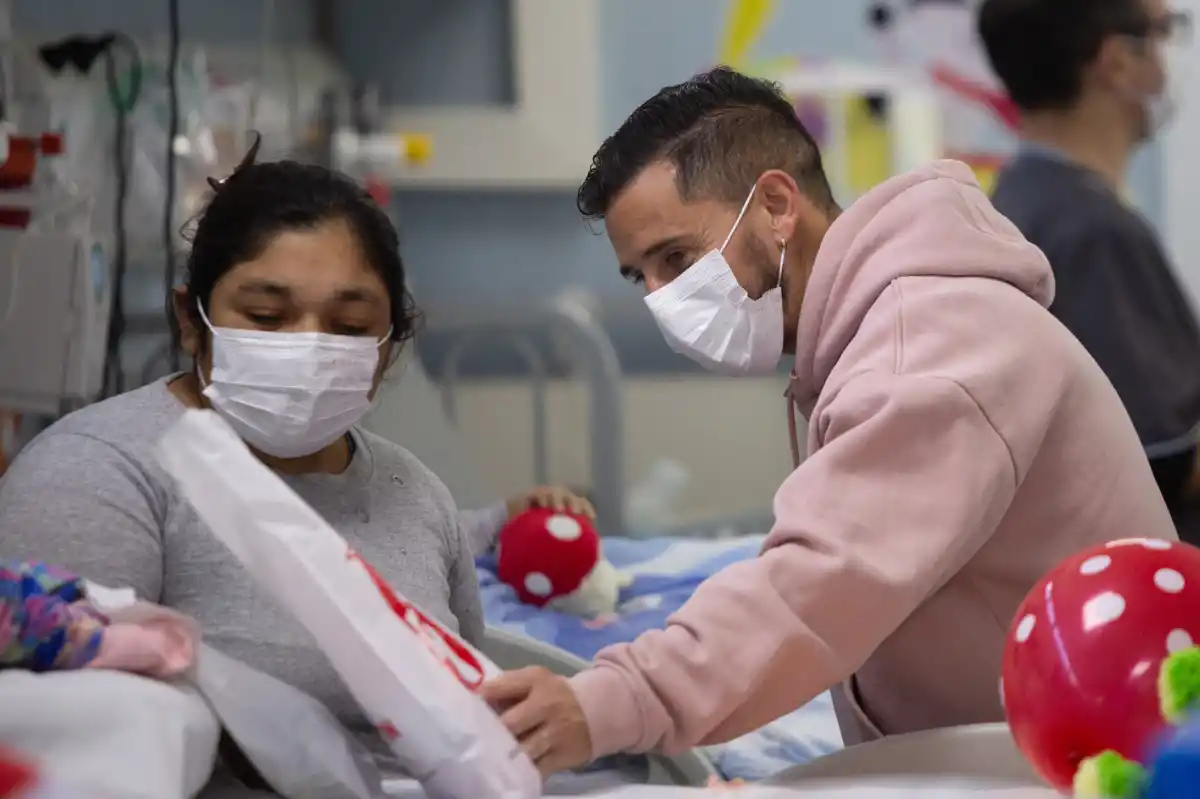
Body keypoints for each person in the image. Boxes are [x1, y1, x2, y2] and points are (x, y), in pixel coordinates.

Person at [479, 66, 1177, 777]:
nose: (662, 299)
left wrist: (613, 700)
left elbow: (816, 582)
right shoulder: (884, 331)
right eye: (642, 277)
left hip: (1091, 758)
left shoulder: (929, 344)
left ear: (777, 205)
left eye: (677, 259)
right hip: (1025, 734)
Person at [0, 143, 587, 786]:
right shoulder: (100, 474)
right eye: (266, 317)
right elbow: (64, 750)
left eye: (351, 323)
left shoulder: (412, 491)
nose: (309, 345)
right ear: (190, 322)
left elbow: (469, 706)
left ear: (388, 348)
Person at [981, 0, 1200, 540]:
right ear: (1117, 62)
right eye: (1163, 32)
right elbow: (1166, 456)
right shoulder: (1093, 232)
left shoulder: (1014, 206)